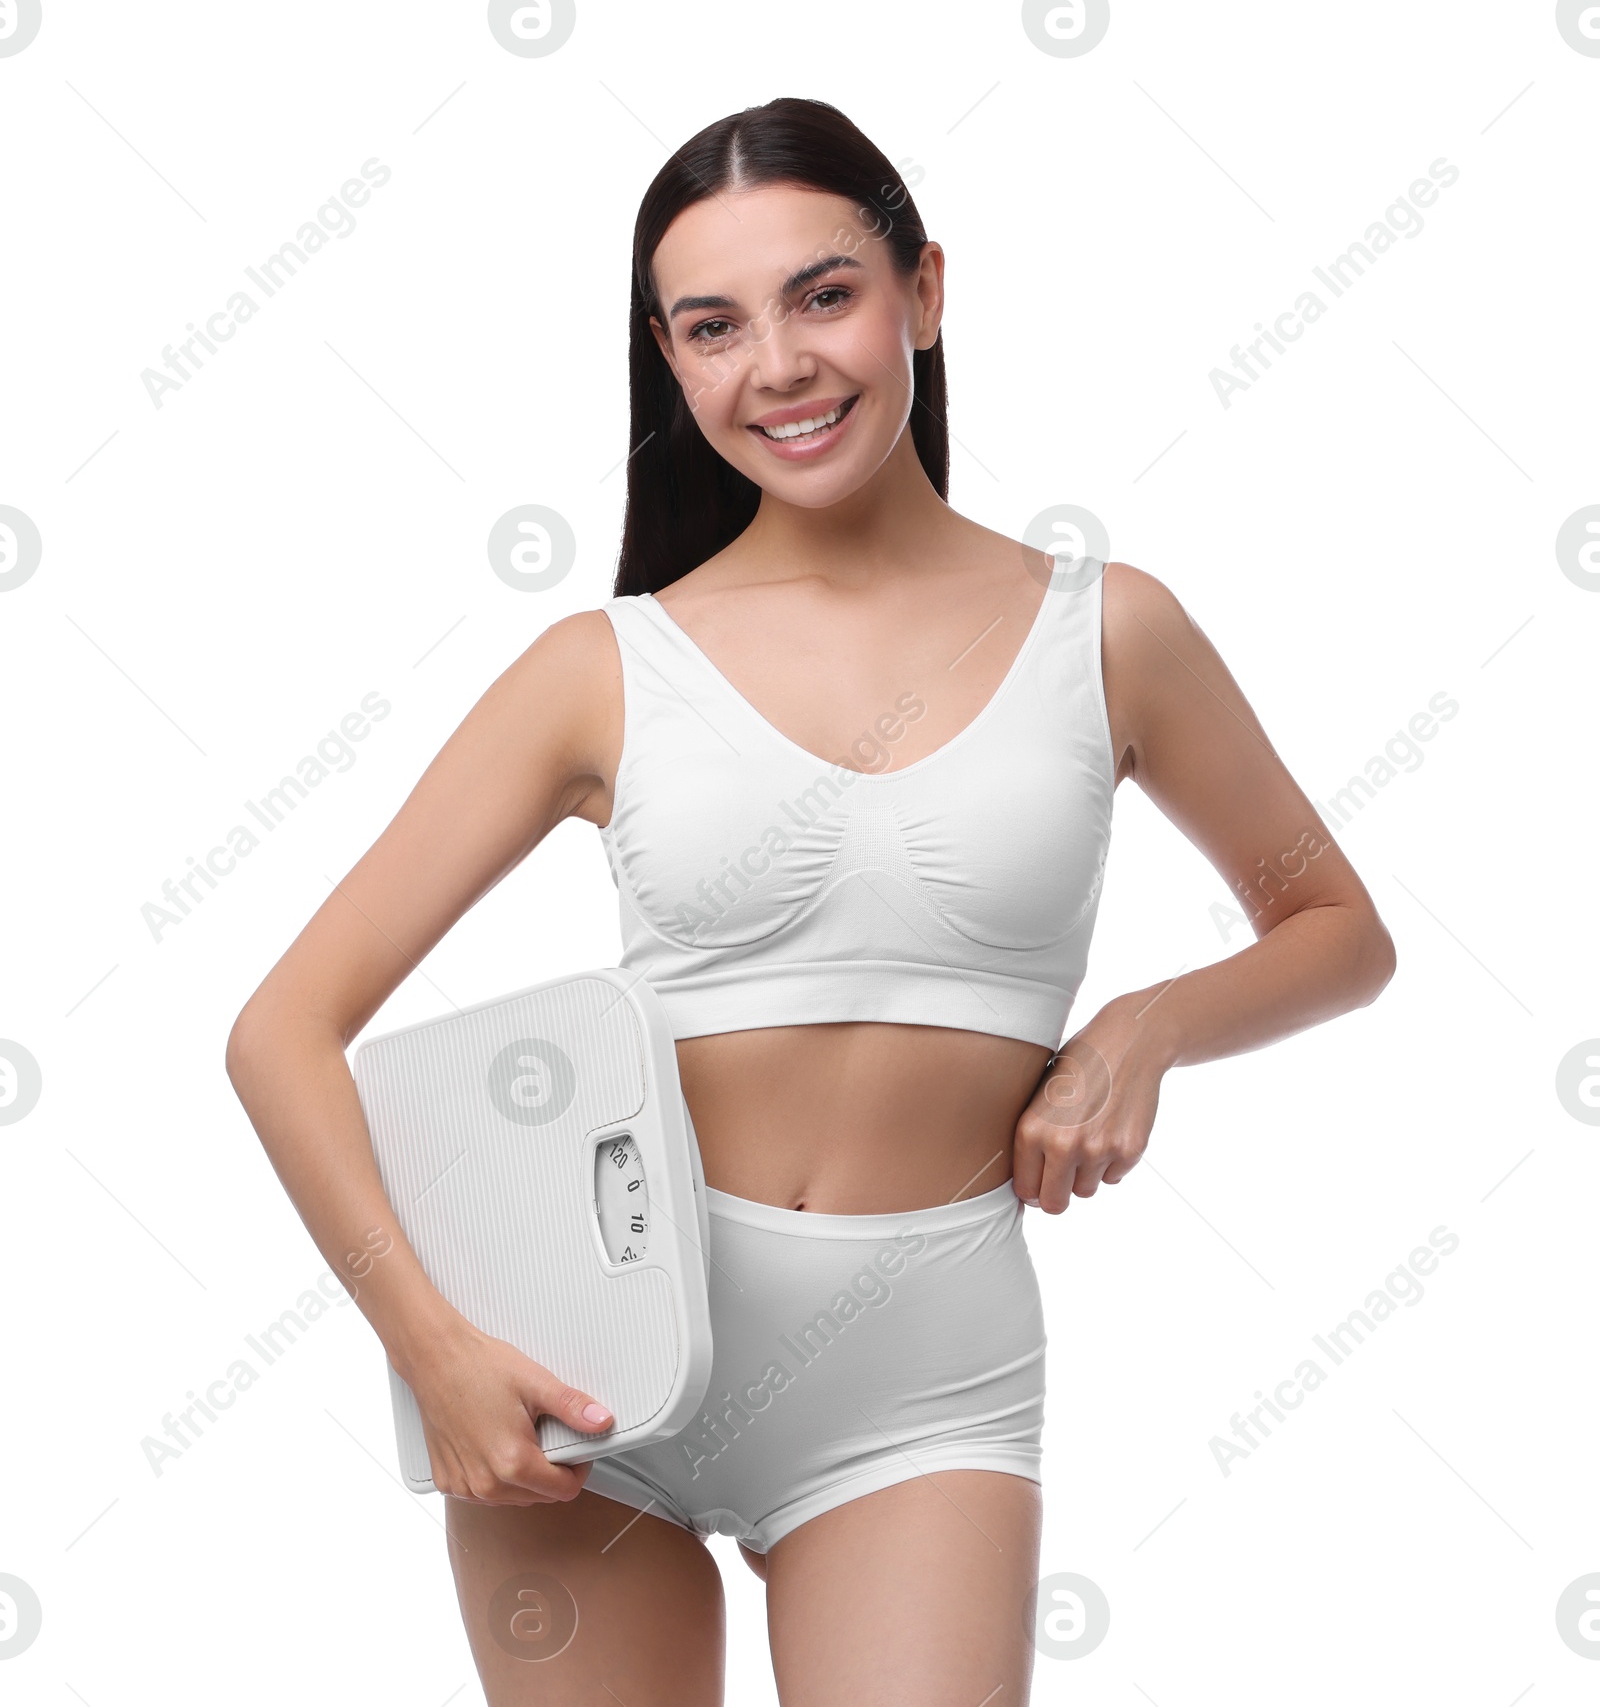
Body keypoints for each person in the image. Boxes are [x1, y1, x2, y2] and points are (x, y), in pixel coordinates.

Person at [225, 96, 1396, 1704]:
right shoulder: (603, 666)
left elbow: (1340, 927)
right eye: (713, 327)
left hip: (919, 1386)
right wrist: (431, 1346)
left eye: (823, 295)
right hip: (577, 1355)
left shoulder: (1112, 632)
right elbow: (281, 1028)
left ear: (923, 287)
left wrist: (1151, 1024)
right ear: (669, 359)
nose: (776, 364)